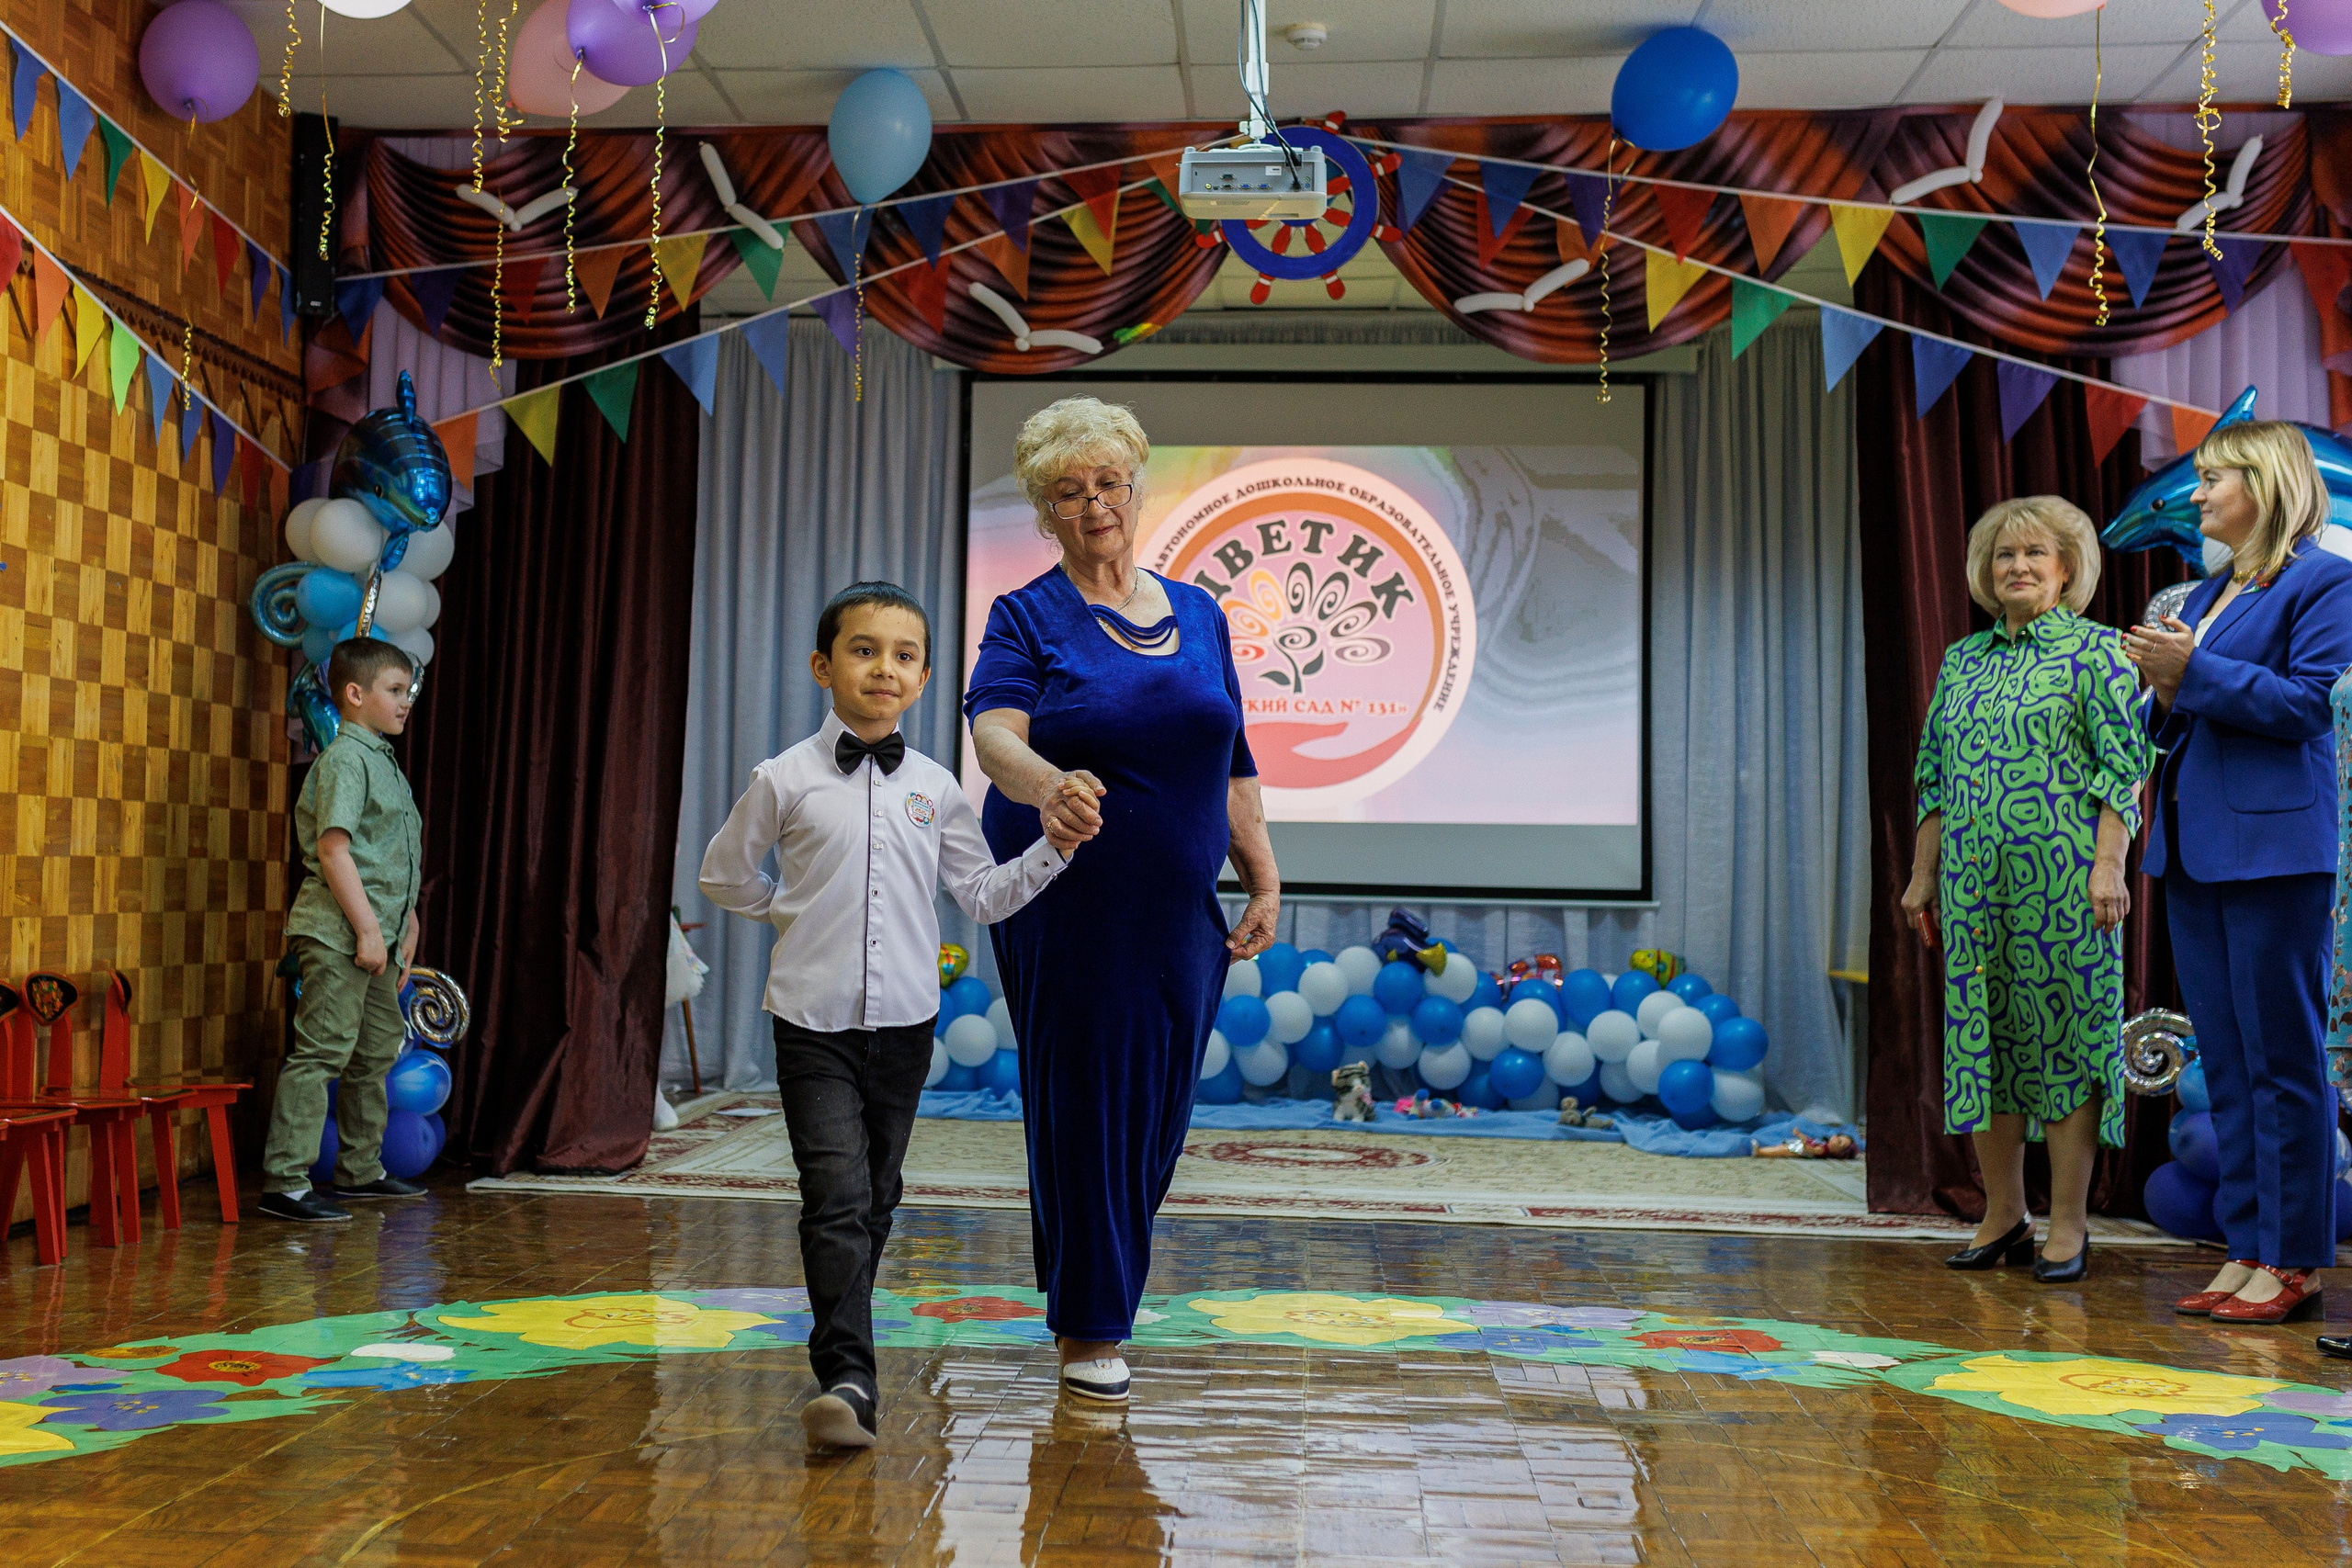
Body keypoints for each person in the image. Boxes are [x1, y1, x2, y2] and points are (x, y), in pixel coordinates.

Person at [699, 582, 1073, 1449]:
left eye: (904, 655)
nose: (884, 668)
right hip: (810, 1019)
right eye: (864, 650)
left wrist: (1054, 850)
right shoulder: (783, 778)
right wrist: (787, 910)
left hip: (905, 1024)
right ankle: (848, 1378)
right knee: (834, 1194)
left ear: (925, 676)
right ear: (823, 666)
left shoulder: (939, 787)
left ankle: (847, 1358)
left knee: (874, 1198)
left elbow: (980, 896)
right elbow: (724, 875)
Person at [965, 396, 1280, 1404]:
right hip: (1069, 895)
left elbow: (1231, 758)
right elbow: (994, 736)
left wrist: (1263, 873)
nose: (1094, 503)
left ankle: (1089, 1290)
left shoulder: (1199, 614)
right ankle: (1090, 1325)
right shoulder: (1026, 615)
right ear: (1045, 512)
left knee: (1153, 1112)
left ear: (1137, 489)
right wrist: (1044, 785)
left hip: (1178, 911)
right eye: (1070, 491)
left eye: (1108, 483)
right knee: (1088, 1102)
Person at [2124, 421, 2352, 1326]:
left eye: (2215, 479)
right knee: (2227, 1062)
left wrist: (2194, 672)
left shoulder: (2324, 581)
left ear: (2265, 485)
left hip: (2273, 849)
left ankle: (2292, 1260)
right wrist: (2156, 688)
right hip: (2194, 844)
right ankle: (2247, 1247)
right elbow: (2175, 719)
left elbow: (2306, 706)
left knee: (2280, 1059)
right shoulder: (2209, 590)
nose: (2199, 494)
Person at [1904, 497, 2149, 1283]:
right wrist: (1921, 873)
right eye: (2004, 556)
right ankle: (2003, 1212)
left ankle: (2070, 1223)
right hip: (1975, 891)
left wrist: (2109, 864)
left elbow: (2125, 768)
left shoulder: (2100, 653)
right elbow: (1933, 775)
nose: (2017, 567)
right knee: (1985, 1042)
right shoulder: (1962, 660)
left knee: (2069, 1044)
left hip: (2069, 889)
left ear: (2066, 569)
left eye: (2034, 554)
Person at [259, 637, 427, 1224]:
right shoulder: (346, 759)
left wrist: (404, 924)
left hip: (375, 938)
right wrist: (367, 930)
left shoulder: (383, 762)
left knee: (375, 1051)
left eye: (408, 691)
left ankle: (359, 1171)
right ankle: (284, 1180)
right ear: (354, 694)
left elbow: (389, 857)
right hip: (340, 935)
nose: (406, 702)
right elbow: (335, 852)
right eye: (394, 691)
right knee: (323, 1050)